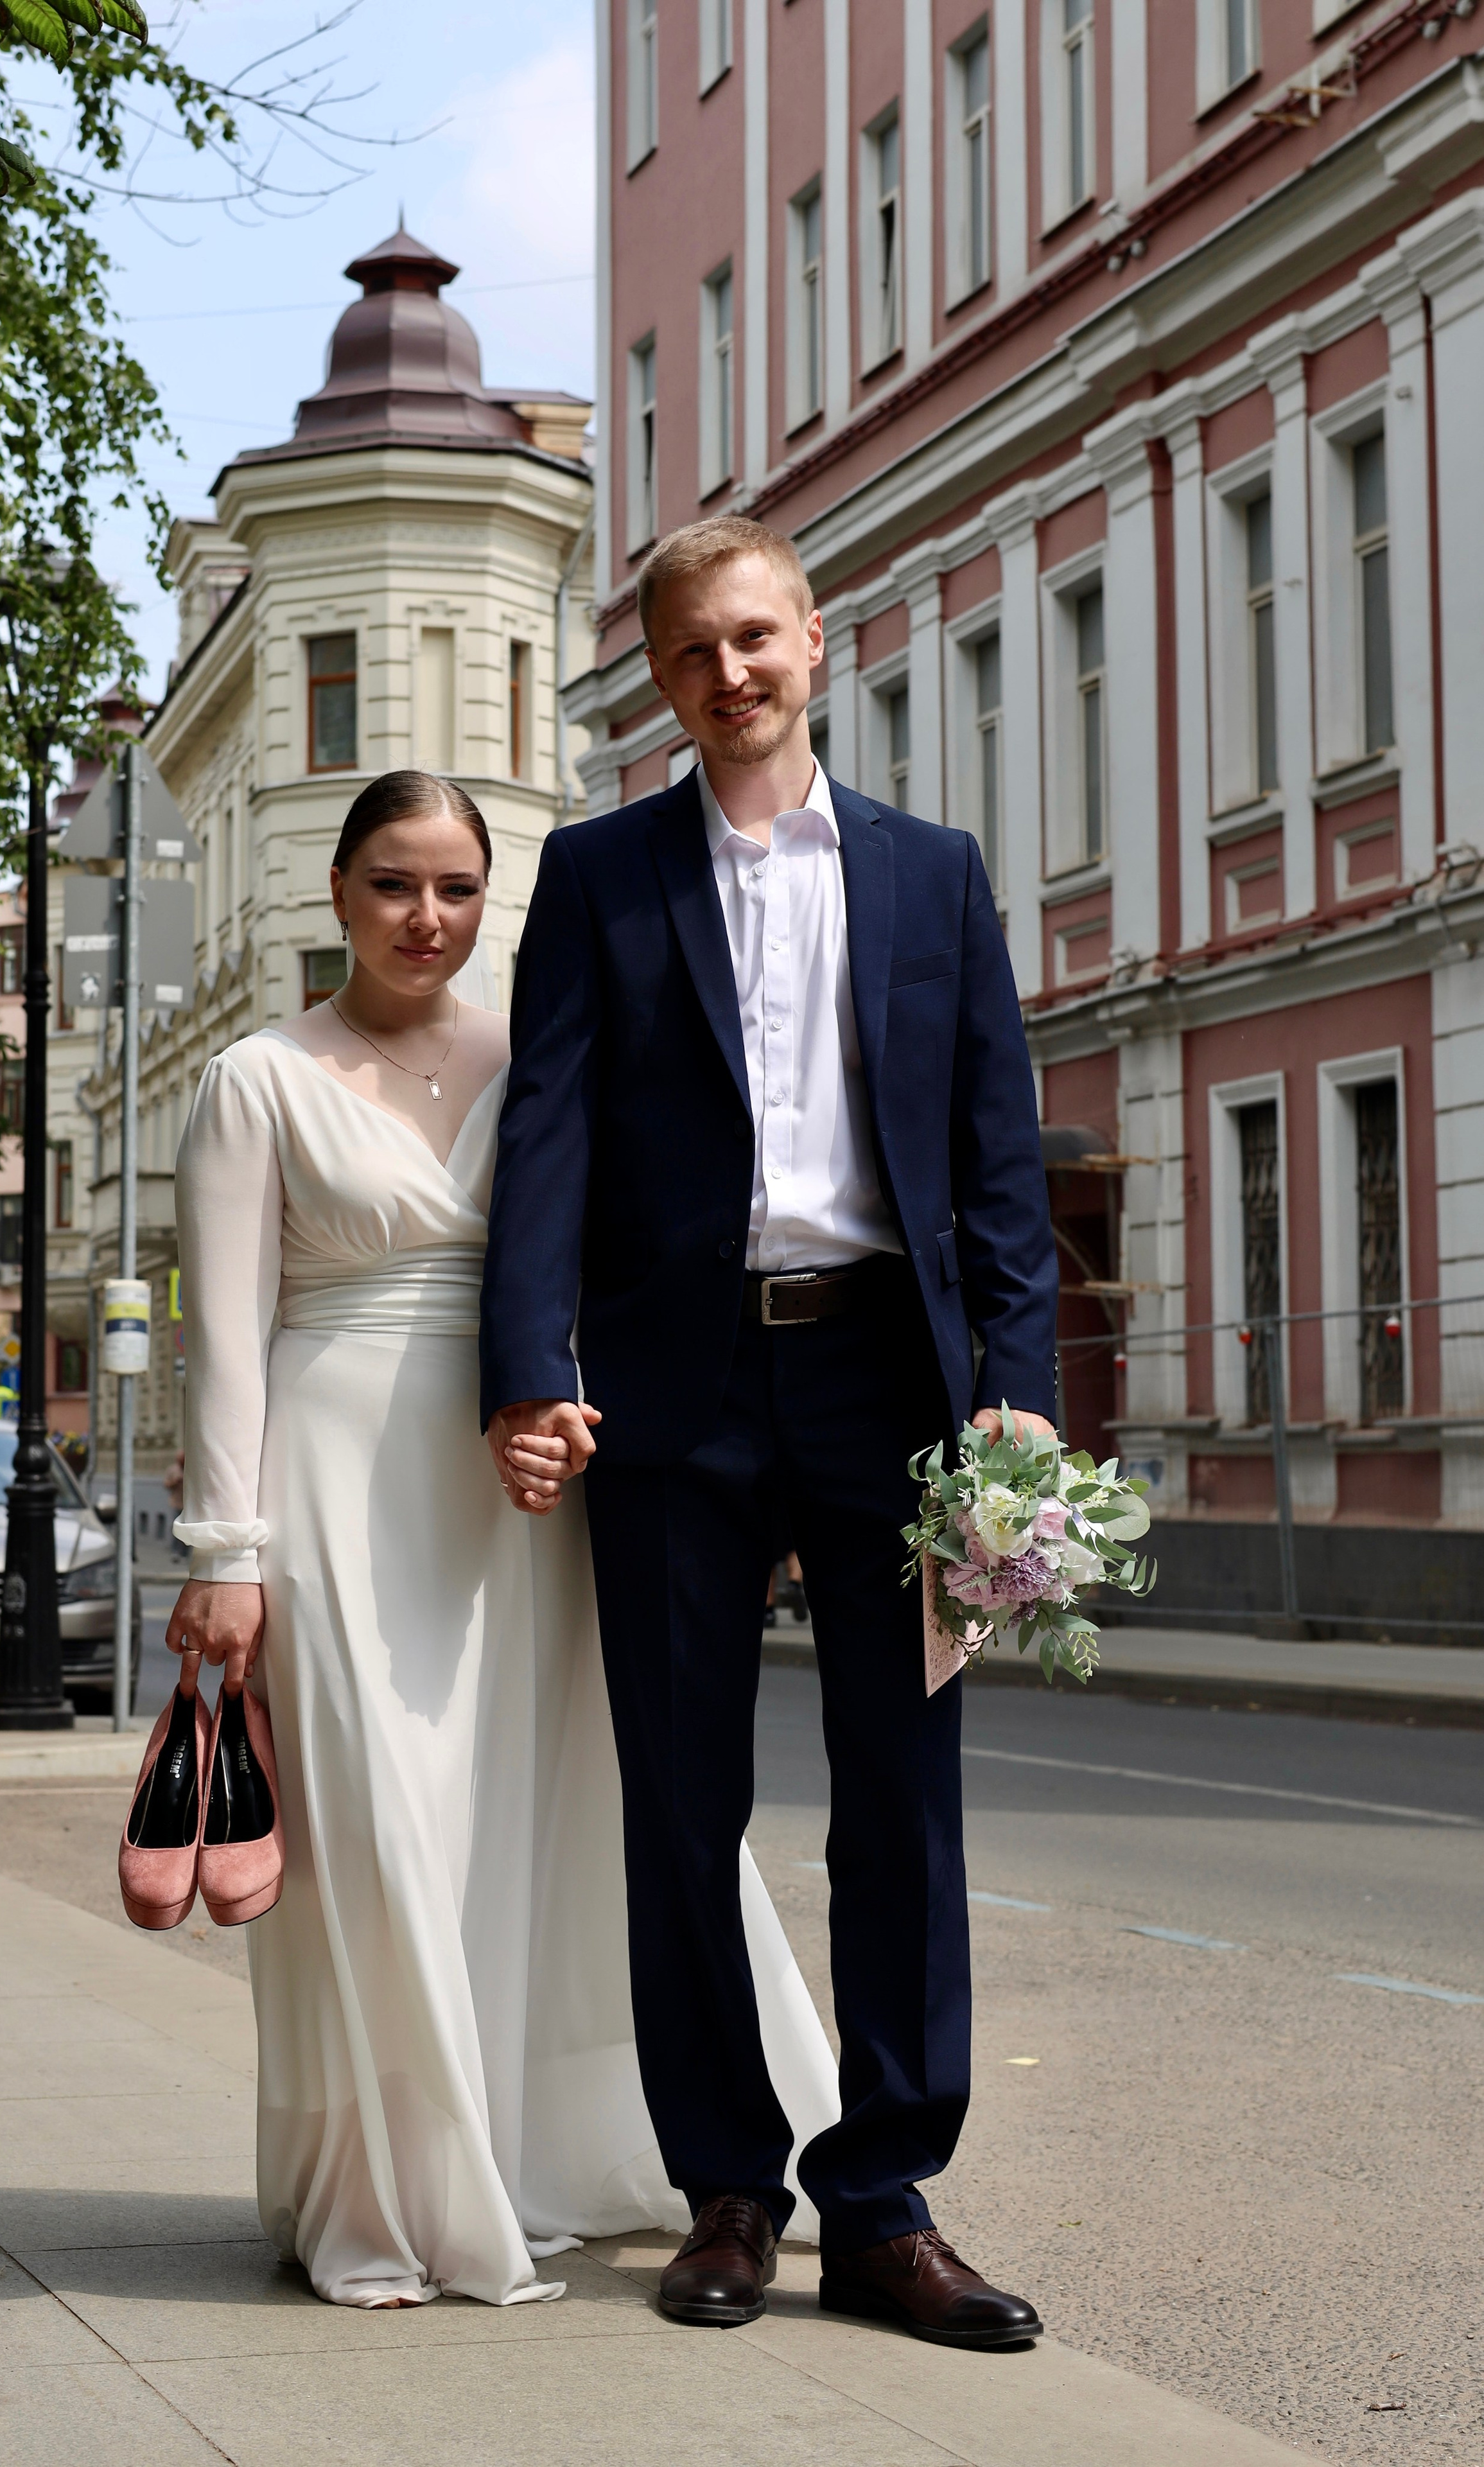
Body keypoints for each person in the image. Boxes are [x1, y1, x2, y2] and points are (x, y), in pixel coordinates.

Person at [481, 515, 1058, 2344]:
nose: (726, 674)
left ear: (815, 639)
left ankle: (882, 2199)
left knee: (902, 1804)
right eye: (688, 653)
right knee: (683, 1803)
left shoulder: (931, 875)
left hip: (893, 1381)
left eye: (753, 638)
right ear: (658, 681)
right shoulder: (600, 874)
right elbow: (548, 1136)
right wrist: (529, 1365)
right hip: (673, 1391)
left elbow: (995, 1162)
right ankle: (726, 2184)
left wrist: (1017, 1404)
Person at [163, 768, 837, 2311]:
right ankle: (394, 2188)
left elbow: (621, 1259)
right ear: (337, 893)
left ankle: (535, 2152)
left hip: (526, 1488)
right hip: (335, 1484)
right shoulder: (254, 1079)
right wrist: (226, 1548)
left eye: (458, 888)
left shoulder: (546, 1050)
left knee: (536, 1821)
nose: (427, 917)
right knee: (382, 1835)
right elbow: (228, 1340)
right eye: (395, 883)